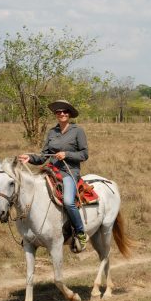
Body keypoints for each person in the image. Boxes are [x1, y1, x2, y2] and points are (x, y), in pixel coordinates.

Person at [18, 99, 89, 252]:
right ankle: (31, 234)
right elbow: (44, 156)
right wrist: (30, 158)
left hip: (69, 172)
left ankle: (80, 232)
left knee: (69, 201)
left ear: (69, 114)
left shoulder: (78, 131)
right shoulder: (52, 132)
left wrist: (67, 154)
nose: (62, 114)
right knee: (31, 193)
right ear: (56, 115)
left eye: (65, 112)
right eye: (58, 112)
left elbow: (84, 154)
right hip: (51, 170)